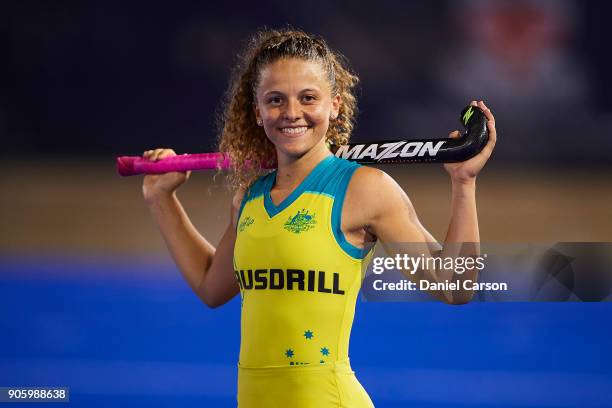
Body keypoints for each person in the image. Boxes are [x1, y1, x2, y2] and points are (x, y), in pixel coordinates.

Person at [140, 28, 496, 407]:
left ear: (335, 105)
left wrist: (464, 184)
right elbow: (212, 287)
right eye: (275, 100)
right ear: (257, 112)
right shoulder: (249, 197)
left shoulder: (364, 189)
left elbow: (454, 286)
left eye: (308, 98)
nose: (291, 112)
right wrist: (161, 199)